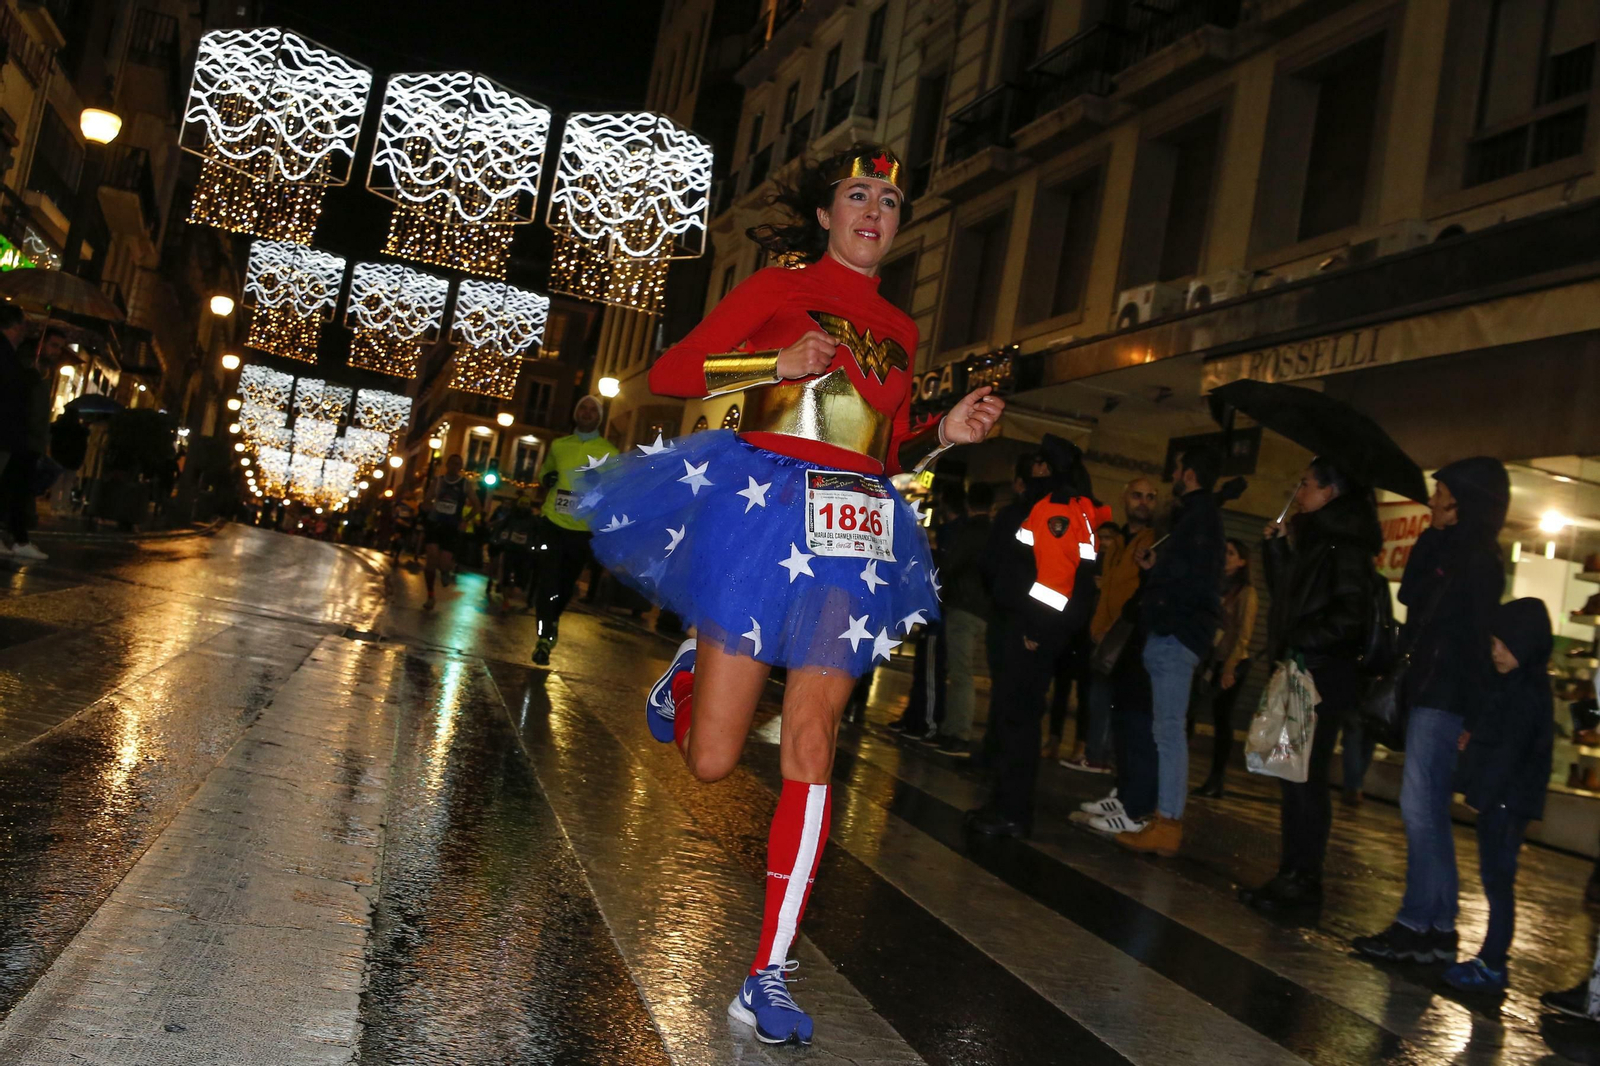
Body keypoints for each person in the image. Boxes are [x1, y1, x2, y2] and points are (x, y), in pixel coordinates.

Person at [570, 143, 1003, 1046]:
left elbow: (881, 452)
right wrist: (768, 368)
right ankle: (687, 677)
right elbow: (672, 374)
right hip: (767, 513)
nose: (874, 211)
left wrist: (942, 431)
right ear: (825, 213)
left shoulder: (901, 327)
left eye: (889, 198)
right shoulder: (777, 285)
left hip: (854, 530)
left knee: (814, 742)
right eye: (858, 195)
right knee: (713, 763)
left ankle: (765, 972)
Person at [1354, 457, 1509, 964]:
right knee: (1425, 812)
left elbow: (1474, 639)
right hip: (1427, 689)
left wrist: (1473, 714)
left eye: (1441, 490)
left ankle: (1419, 923)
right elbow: (1410, 593)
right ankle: (1434, 928)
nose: (1433, 498)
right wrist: (1431, 539)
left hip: (1445, 696)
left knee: (1420, 809)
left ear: (1461, 499)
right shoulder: (1443, 546)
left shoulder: (1481, 559)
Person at [1238, 460, 1379, 911]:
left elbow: (1350, 616)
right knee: (1290, 774)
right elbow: (1290, 600)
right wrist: (1277, 552)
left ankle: (1304, 880)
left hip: (1322, 678)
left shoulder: (1346, 546)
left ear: (1331, 491)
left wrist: (1303, 639)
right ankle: (1290, 874)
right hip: (1302, 671)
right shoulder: (1316, 539)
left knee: (1306, 778)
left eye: (1307, 484)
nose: (1298, 490)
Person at [967, 435, 1107, 837]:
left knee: (1019, 724)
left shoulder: (1057, 510)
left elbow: (1055, 581)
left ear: (1047, 468)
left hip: (1029, 631)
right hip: (1029, 627)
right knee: (1017, 722)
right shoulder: (1067, 506)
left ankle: (1011, 812)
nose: (1034, 470)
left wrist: (1035, 629)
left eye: (1040, 464)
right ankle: (1006, 805)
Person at [1440, 598, 1554, 993]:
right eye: (1493, 644)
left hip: (1505, 801)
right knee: (1495, 880)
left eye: (1502, 644)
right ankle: (1491, 959)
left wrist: (1482, 794)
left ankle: (1492, 963)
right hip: (1503, 799)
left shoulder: (1526, 692)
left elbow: (1511, 751)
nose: (1495, 652)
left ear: (1523, 643)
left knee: (1498, 881)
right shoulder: (1515, 686)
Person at [1121, 447, 1225, 857]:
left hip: (1176, 635)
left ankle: (1168, 822)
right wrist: (1156, 569)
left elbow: (1193, 580)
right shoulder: (1196, 517)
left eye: (1180, 468)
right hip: (1175, 632)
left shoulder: (1199, 519)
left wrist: (1163, 612)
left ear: (1192, 474)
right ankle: (1165, 819)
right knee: (1165, 729)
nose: (1174, 475)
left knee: (1168, 730)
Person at [1080, 477, 1158, 831]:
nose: (1144, 502)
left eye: (1151, 497)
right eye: (1138, 495)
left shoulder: (1153, 541)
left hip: (1133, 638)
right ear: (1125, 497)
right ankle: (1124, 792)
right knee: (1120, 718)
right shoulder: (1119, 541)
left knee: (1133, 722)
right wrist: (1098, 630)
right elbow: (1107, 590)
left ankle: (1133, 801)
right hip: (1111, 638)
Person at [531, 396, 618, 664]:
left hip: (582, 530)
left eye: (593, 410)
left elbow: (613, 490)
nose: (587, 412)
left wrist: (599, 483)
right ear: (575, 413)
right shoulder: (559, 445)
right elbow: (544, 472)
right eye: (583, 407)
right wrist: (547, 478)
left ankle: (552, 621)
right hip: (552, 522)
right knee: (547, 580)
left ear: (599, 418)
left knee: (565, 585)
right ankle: (544, 638)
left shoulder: (609, 452)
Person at [1193, 538, 1258, 798]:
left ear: (1242, 561)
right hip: (1208, 658)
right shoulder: (1214, 584)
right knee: (1191, 711)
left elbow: (1244, 634)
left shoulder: (1245, 592)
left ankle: (1217, 778)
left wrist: (1230, 668)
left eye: (1231, 553)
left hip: (1230, 660)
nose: (1225, 556)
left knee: (1222, 717)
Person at [933, 481, 993, 756]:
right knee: (963, 671)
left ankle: (959, 734)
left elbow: (952, 563)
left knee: (960, 673)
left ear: (969, 504)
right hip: (984, 608)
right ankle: (953, 730)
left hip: (964, 606)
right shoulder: (994, 532)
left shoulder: (970, 531)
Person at [0, 307, 48, 561]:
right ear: (14, 326)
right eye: (22, 325)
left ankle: (17, 538)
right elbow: (9, 389)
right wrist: (30, 376)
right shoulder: (6, 354)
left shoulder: (11, 354)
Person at [420, 454, 468, 610]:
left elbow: (477, 506)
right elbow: (427, 499)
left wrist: (465, 519)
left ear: (461, 467)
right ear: (447, 464)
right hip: (435, 524)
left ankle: (446, 570)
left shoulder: (465, 484)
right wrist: (427, 506)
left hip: (451, 528)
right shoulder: (438, 481)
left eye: (458, 464)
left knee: (443, 563)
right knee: (431, 558)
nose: (455, 466)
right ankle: (430, 595)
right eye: (452, 463)